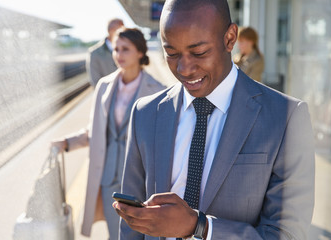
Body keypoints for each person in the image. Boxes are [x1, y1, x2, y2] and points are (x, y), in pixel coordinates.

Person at [113, 0, 315, 239]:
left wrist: (200, 227)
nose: (184, 69)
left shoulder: (286, 118)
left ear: (230, 38)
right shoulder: (145, 113)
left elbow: (289, 234)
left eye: (199, 52)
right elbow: (131, 228)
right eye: (172, 54)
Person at [52, 27, 165, 239]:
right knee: (115, 233)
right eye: (116, 49)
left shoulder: (158, 91)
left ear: (140, 52)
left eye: (125, 49)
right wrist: (66, 143)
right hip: (107, 177)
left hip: (138, 177)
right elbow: (95, 131)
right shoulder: (104, 86)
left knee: (139, 232)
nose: (118, 55)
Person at [86, 18, 124, 86]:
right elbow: (95, 81)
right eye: (120, 30)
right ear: (110, 31)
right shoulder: (94, 53)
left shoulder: (130, 49)